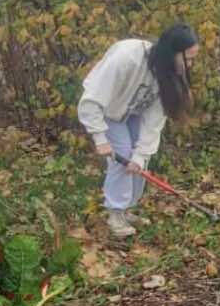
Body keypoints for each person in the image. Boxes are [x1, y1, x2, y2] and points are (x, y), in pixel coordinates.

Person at [77, 24, 198, 237]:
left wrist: (141, 155)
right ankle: (115, 212)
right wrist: (100, 137)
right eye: (187, 59)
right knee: (123, 155)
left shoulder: (167, 74)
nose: (190, 65)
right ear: (172, 52)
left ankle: (127, 208)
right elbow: (92, 98)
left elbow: (154, 120)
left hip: (133, 112)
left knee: (138, 160)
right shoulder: (127, 58)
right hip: (108, 109)